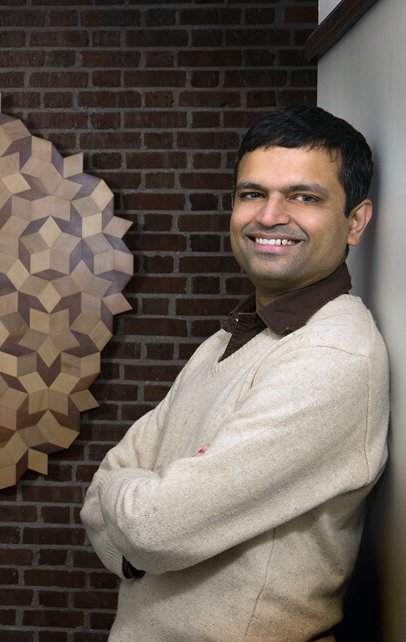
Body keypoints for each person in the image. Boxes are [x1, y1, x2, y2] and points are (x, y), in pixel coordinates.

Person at [81, 105, 388, 640]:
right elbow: (99, 498)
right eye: (252, 194)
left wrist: (137, 512)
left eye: (304, 197)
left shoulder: (330, 355)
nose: (269, 217)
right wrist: (136, 515)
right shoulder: (231, 338)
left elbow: (157, 527)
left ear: (355, 221)